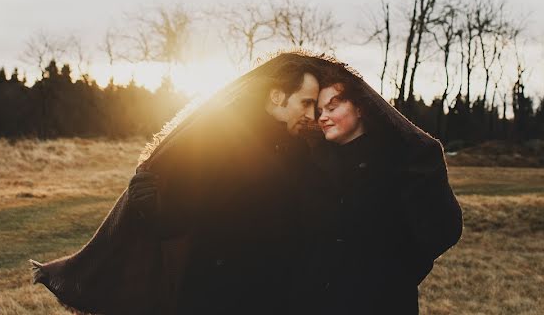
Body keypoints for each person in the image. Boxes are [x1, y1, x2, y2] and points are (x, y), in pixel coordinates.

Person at [31, 51, 324, 315]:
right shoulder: (221, 138)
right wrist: (146, 202)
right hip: (218, 294)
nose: (311, 115)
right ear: (277, 96)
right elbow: (177, 218)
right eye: (306, 103)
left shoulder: (301, 151)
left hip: (277, 295)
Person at [295, 59, 463, 314]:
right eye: (320, 110)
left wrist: (395, 275)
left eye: (333, 106)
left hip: (383, 301)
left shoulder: (398, 163)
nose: (323, 117)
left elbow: (436, 231)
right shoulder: (314, 164)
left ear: (361, 108)